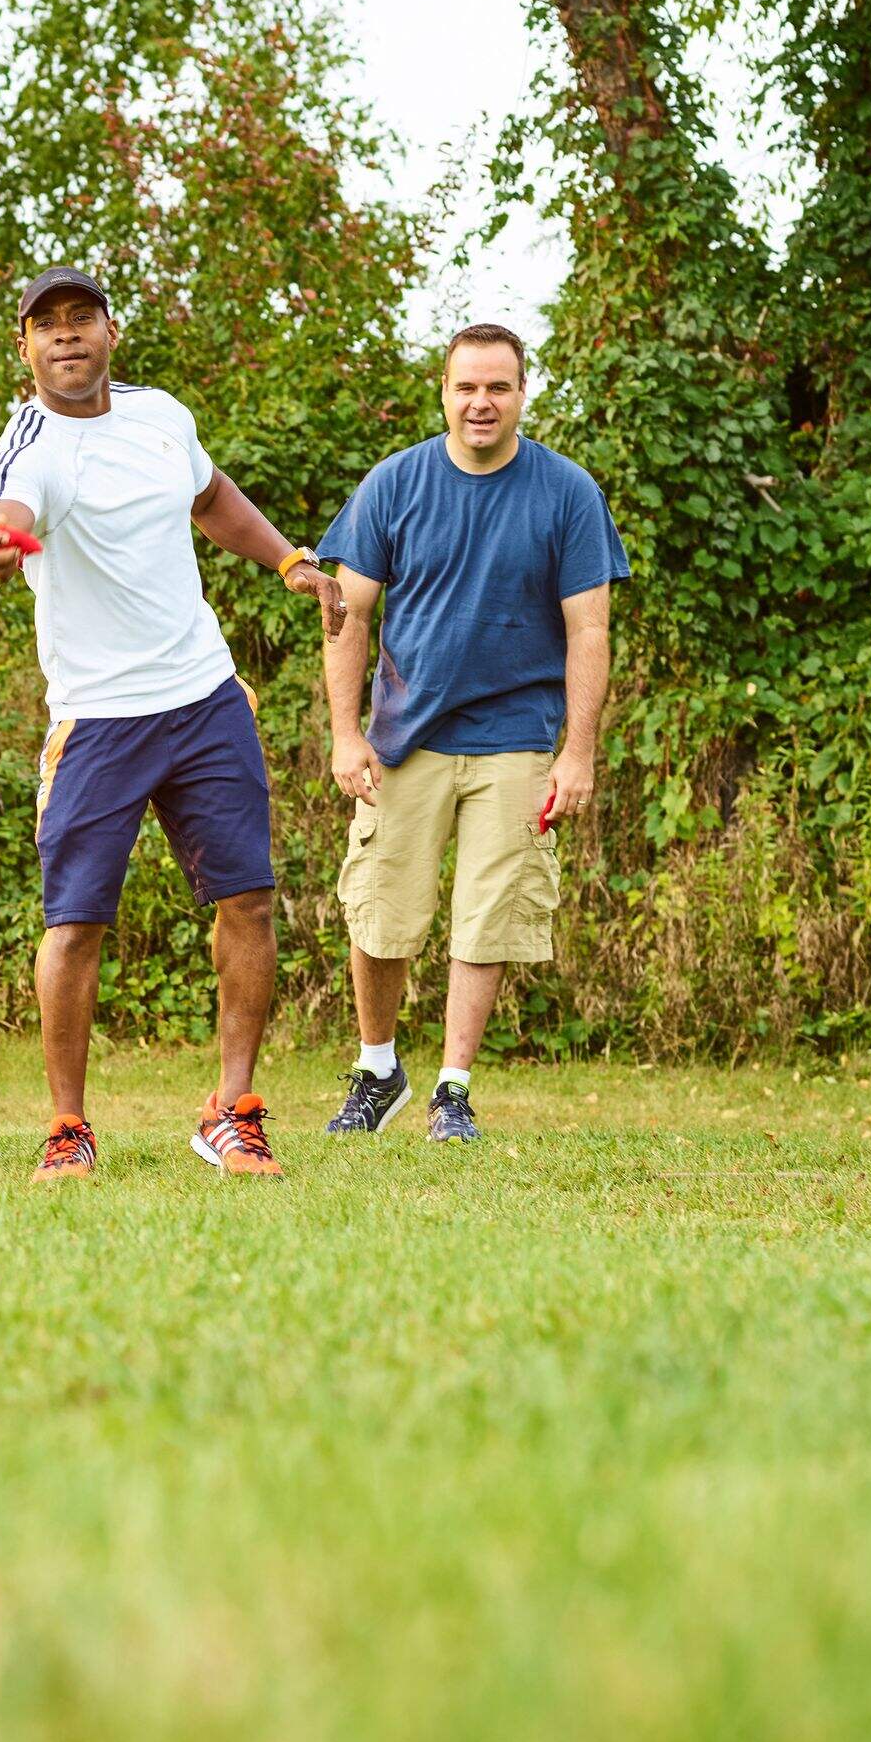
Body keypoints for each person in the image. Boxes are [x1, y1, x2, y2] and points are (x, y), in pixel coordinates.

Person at [0, 265, 346, 1185]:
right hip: (98, 721)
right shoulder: (30, 447)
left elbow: (210, 499)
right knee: (75, 923)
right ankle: (68, 1128)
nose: (65, 337)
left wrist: (289, 559)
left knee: (247, 900)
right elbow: (5, 511)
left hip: (205, 697)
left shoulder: (161, 415)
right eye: (44, 325)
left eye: (80, 318)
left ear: (110, 330)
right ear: (25, 349)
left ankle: (232, 1114)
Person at [315, 323, 629, 1143]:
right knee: (382, 912)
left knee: (488, 916)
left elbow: (589, 631)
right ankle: (377, 1067)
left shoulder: (566, 492)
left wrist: (579, 751)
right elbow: (348, 616)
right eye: (466, 387)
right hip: (405, 737)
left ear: (524, 392)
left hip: (518, 737)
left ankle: (452, 1091)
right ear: (444, 392)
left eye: (498, 387)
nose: (481, 402)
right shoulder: (395, 483)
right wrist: (346, 735)